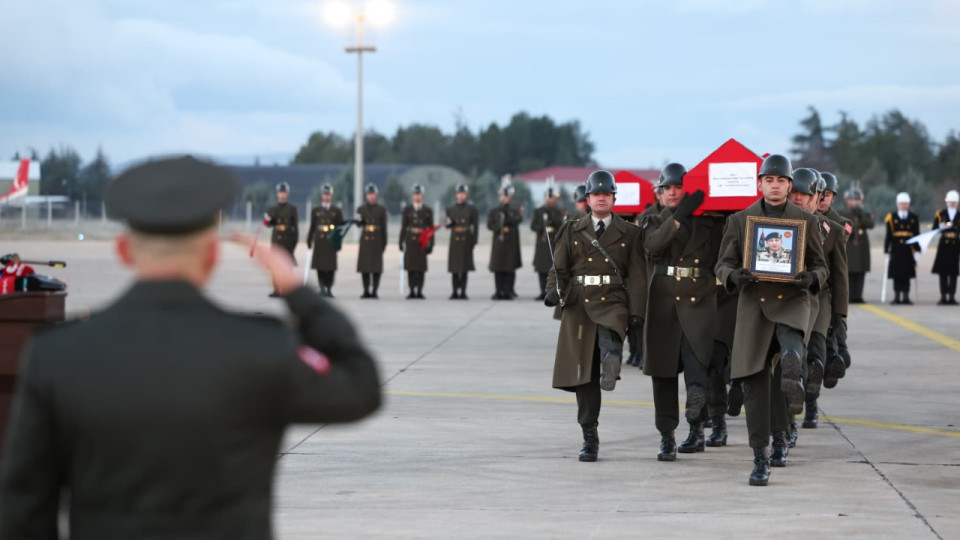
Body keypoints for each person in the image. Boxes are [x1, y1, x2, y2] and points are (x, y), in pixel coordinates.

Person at [0, 156, 381, 539]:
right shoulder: (261, 348)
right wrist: (298, 293)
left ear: (124, 251)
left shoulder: (58, 355)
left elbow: (23, 508)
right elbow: (361, 387)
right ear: (212, 255)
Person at [715, 154, 828, 486]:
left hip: (793, 300)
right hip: (754, 305)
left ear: (789, 186)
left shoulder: (805, 221)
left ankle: (794, 359)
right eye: (769, 180)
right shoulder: (740, 220)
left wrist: (810, 278)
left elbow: (822, 267)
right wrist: (735, 276)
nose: (775, 185)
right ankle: (761, 455)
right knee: (755, 383)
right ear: (760, 184)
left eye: (781, 181)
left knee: (788, 359)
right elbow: (721, 265)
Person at [544, 170, 646, 462]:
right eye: (596, 194)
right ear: (587, 199)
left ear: (614, 198)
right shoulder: (572, 229)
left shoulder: (630, 233)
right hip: (578, 305)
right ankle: (589, 435)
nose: (601, 198)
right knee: (584, 377)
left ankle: (611, 358)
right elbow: (559, 268)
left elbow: (637, 277)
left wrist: (637, 311)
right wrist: (553, 291)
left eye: (607, 194)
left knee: (610, 329)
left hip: (612, 298)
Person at [640, 162, 726, 460]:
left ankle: (696, 430)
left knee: (697, 366)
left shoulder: (709, 223)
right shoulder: (652, 220)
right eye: (668, 188)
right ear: (659, 194)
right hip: (664, 303)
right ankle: (666, 436)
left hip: (699, 300)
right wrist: (678, 217)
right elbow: (652, 246)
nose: (673, 192)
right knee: (663, 374)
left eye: (679, 187)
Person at [306, 183, 345, 297]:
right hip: (320, 241)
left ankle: (329, 288)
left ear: (331, 196)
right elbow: (312, 226)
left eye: (328, 194)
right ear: (321, 195)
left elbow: (339, 228)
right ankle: (322, 288)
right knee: (320, 267)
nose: (326, 197)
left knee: (330, 267)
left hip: (331, 241)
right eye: (324, 194)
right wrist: (309, 239)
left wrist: (339, 242)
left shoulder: (336, 211)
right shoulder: (316, 210)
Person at [884, 192, 920, 305]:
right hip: (896, 249)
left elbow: (916, 235)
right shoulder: (891, 217)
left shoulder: (913, 218)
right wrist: (886, 250)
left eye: (905, 203)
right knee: (896, 274)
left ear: (908, 204)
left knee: (906, 274)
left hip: (908, 250)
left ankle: (906, 296)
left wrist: (917, 250)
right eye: (901, 203)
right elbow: (888, 235)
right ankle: (897, 296)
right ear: (897, 204)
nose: (903, 205)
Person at [488, 184, 523, 300]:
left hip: (510, 243)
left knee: (509, 267)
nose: (505, 198)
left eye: (507, 196)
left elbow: (517, 220)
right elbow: (490, 224)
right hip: (499, 242)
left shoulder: (514, 209)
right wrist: (498, 226)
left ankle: (508, 290)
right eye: (503, 196)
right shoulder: (494, 211)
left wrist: (507, 217)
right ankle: (498, 290)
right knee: (498, 267)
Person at [840, 184, 874, 303]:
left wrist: (860, 214)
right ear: (846, 200)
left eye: (856, 200)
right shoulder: (842, 212)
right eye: (851, 200)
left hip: (862, 245)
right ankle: (849, 295)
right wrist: (852, 213)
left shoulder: (864, 213)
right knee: (849, 271)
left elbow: (870, 224)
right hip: (849, 244)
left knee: (861, 271)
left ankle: (858, 295)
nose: (854, 202)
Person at [531, 187, 566, 300]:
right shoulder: (539, 211)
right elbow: (533, 225)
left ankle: (552, 291)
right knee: (541, 268)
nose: (551, 200)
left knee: (553, 267)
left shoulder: (558, 211)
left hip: (554, 242)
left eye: (553, 198)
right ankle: (542, 291)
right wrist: (542, 227)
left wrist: (551, 216)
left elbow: (560, 224)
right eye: (549, 198)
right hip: (542, 243)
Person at [265, 181, 299, 297]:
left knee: (287, 266)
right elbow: (267, 224)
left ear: (287, 193)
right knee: (275, 266)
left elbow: (295, 227)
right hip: (276, 240)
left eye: (284, 192)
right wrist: (268, 220)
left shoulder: (292, 209)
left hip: (287, 240)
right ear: (277, 193)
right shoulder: (272, 208)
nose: (282, 194)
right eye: (280, 192)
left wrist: (294, 243)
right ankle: (276, 289)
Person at [400, 184, 434, 299]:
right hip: (411, 240)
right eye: (415, 194)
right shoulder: (407, 210)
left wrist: (431, 244)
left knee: (420, 267)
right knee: (410, 267)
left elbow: (430, 228)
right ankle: (411, 290)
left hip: (422, 240)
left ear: (422, 195)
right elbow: (404, 226)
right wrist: (401, 241)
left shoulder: (427, 210)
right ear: (412, 196)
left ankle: (419, 290)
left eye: (419, 194)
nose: (417, 197)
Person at [446, 184, 479, 299]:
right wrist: (448, 223)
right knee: (455, 267)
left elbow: (475, 225)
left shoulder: (471, 209)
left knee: (464, 267)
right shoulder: (451, 209)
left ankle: (463, 291)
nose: (461, 195)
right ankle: (455, 291)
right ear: (456, 195)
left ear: (466, 195)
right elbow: (448, 225)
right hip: (455, 239)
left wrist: (474, 240)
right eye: (459, 193)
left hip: (466, 239)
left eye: (463, 193)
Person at [357, 184, 388, 299]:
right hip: (366, 240)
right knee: (365, 267)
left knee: (376, 268)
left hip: (377, 240)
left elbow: (384, 227)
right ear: (366, 195)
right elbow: (359, 223)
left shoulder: (381, 210)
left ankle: (374, 290)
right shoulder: (361, 209)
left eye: (373, 194)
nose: (371, 196)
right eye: (369, 194)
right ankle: (365, 290)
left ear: (376, 195)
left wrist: (384, 243)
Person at [932, 190, 959, 305]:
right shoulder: (940, 214)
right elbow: (934, 229)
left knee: (953, 272)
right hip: (944, 244)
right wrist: (940, 227)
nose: (952, 203)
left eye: (954, 202)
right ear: (946, 201)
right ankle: (943, 296)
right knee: (943, 271)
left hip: (955, 244)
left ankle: (952, 296)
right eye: (950, 201)